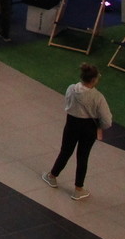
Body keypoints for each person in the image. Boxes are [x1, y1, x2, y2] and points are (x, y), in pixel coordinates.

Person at [42, 63, 113, 202]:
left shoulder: (71, 89)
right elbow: (107, 121)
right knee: (83, 157)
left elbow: (67, 104)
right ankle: (78, 189)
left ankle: (52, 176)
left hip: (71, 124)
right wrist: (100, 126)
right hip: (89, 128)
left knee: (65, 151)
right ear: (94, 80)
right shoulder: (98, 97)